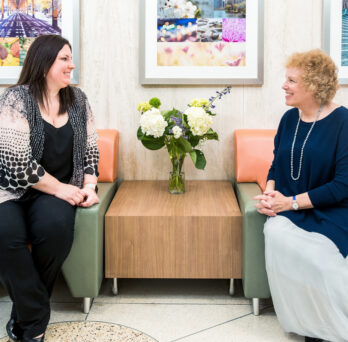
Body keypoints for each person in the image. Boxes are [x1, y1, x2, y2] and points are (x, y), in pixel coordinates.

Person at [0, 35, 100, 342]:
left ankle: (24, 314)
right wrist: (59, 189)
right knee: (5, 234)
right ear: (44, 62)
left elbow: (91, 151)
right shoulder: (15, 98)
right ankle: (35, 317)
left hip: (58, 192)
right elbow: (15, 161)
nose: (72, 65)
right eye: (65, 59)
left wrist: (91, 186)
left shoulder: (79, 100)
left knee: (56, 228)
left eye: (71, 59)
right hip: (11, 190)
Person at [254, 49, 348, 342]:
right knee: (276, 234)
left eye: (292, 80)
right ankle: (309, 324)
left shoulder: (343, 122)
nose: (284, 85)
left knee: (321, 258)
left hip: (333, 209)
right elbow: (275, 165)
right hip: (289, 208)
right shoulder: (288, 119)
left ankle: (332, 328)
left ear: (314, 85)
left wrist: (290, 202)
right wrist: (269, 195)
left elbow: (343, 185)